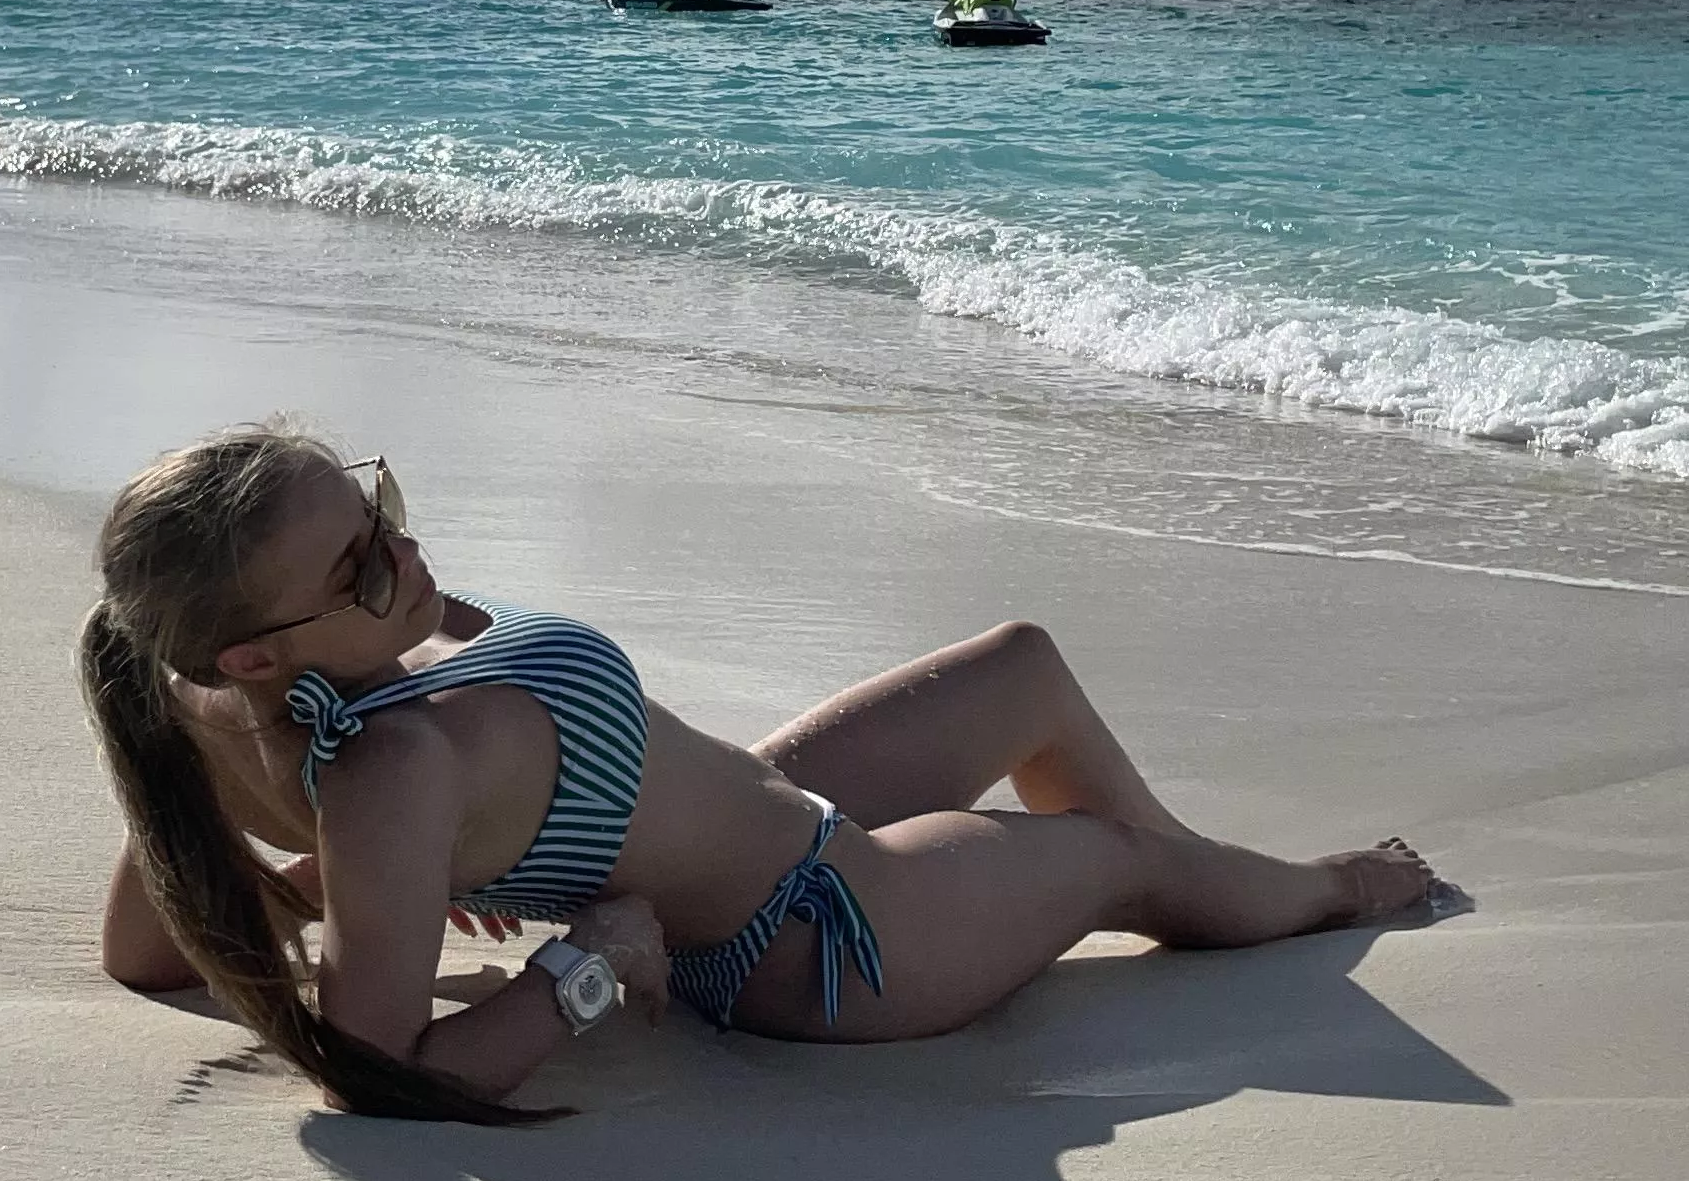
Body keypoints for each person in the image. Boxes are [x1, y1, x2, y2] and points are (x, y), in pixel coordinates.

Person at [83, 420, 1436, 1125]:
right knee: (1121, 857)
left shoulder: (239, 689)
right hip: (817, 937)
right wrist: (582, 966)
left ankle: (1182, 892)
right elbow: (372, 1074)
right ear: (256, 655)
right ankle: (1321, 893)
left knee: (1022, 660)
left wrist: (342, 883)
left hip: (775, 808)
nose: (402, 548)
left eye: (375, 504)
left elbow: (154, 942)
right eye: (360, 563)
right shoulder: (385, 765)